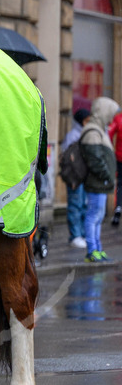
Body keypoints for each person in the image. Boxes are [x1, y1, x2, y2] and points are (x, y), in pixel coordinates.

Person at [79, 96, 119, 263]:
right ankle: (92, 250)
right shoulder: (93, 132)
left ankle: (97, 248)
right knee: (94, 216)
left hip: (101, 183)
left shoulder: (99, 129)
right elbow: (95, 160)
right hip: (97, 183)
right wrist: (107, 176)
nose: (112, 117)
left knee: (98, 216)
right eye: (110, 113)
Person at [64, 108, 91, 248]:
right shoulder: (73, 135)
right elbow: (68, 159)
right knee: (76, 205)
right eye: (86, 120)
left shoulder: (84, 133)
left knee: (83, 205)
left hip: (84, 177)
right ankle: (75, 235)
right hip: (75, 177)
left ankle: (80, 234)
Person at [106, 108, 122, 226]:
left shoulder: (118, 119)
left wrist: (110, 149)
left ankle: (118, 207)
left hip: (120, 157)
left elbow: (109, 133)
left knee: (120, 184)